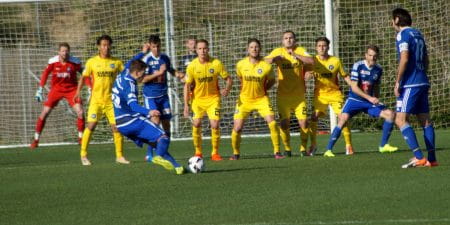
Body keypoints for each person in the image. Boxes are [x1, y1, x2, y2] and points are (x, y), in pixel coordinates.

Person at [323, 45, 398, 157]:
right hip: (354, 100)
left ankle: (383, 146)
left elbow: (376, 86)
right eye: (370, 55)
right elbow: (354, 87)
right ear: (366, 55)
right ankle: (328, 150)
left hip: (369, 102)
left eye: (375, 56)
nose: (372, 58)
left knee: (391, 114)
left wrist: (377, 98)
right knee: (343, 119)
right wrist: (370, 98)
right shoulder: (358, 65)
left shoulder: (379, 69)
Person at [112, 60, 184, 174]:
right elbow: (134, 106)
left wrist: (143, 53)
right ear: (136, 73)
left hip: (120, 124)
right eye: (143, 73)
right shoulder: (130, 84)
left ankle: (178, 167)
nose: (144, 76)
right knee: (164, 137)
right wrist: (149, 112)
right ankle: (159, 156)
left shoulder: (123, 73)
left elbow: (131, 62)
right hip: (131, 120)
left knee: (155, 142)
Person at [391, 8, 437, 168]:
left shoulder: (402, 35)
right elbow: (426, 58)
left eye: (392, 20)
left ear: (397, 20)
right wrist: (423, 75)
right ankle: (432, 159)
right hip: (422, 80)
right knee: (425, 121)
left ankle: (419, 157)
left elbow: (404, 59)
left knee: (400, 119)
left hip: (410, 83)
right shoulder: (418, 34)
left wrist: (398, 81)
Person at [74, 35, 128, 166]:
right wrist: (77, 92)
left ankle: (119, 156)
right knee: (91, 126)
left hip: (111, 102)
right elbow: (84, 77)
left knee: (116, 128)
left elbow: (126, 76)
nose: (106, 47)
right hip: (96, 101)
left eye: (108, 44)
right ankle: (83, 155)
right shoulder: (92, 62)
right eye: (103, 45)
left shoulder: (117, 62)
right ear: (98, 47)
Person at [127, 35, 182, 161]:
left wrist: (178, 75)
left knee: (167, 124)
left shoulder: (165, 58)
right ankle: (149, 153)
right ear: (150, 46)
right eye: (153, 47)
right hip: (150, 97)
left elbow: (170, 70)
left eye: (158, 46)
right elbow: (142, 79)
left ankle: (163, 151)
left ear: (160, 45)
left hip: (163, 96)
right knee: (155, 122)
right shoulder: (146, 60)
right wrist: (157, 73)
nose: (156, 49)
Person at [265, 30, 314, 157]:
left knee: (303, 122)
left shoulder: (300, 50)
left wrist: (297, 56)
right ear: (282, 41)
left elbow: (311, 61)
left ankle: (303, 149)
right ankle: (287, 148)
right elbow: (264, 61)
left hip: (299, 96)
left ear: (295, 40)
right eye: (286, 38)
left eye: (291, 38)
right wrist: (274, 59)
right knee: (284, 123)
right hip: (283, 96)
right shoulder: (278, 52)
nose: (288, 40)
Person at [230, 38, 280, 160]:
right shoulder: (240, 64)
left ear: (260, 49)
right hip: (244, 100)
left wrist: (263, 90)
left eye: (256, 47)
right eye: (252, 47)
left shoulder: (266, 66)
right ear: (248, 49)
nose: (254, 49)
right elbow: (240, 79)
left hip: (261, 99)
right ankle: (235, 153)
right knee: (237, 128)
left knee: (272, 123)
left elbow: (272, 80)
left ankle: (277, 152)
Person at [183, 39, 232, 161]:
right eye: (199, 48)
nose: (202, 51)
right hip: (197, 100)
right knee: (196, 123)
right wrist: (186, 105)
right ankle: (198, 152)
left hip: (213, 99)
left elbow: (229, 79)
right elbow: (187, 86)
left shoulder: (216, 63)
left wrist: (227, 89)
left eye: (204, 48)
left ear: (208, 49)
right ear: (196, 50)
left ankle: (215, 153)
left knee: (214, 124)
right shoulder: (192, 66)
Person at [30, 43, 86, 148]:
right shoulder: (52, 62)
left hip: (72, 90)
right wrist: (40, 89)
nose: (64, 53)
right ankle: (36, 140)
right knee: (44, 112)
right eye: (62, 51)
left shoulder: (75, 62)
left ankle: (81, 139)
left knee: (80, 112)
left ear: (69, 51)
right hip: (56, 90)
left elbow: (84, 73)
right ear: (58, 52)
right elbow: (45, 74)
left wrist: (90, 86)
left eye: (66, 51)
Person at [304, 37, 353, 155]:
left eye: (324, 45)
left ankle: (349, 145)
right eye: (319, 46)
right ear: (316, 48)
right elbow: (305, 75)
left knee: (343, 117)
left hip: (335, 94)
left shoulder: (335, 61)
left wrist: (353, 87)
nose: (322, 48)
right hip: (320, 95)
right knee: (314, 117)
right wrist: (307, 76)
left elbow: (345, 76)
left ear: (328, 47)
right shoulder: (312, 61)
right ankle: (313, 145)